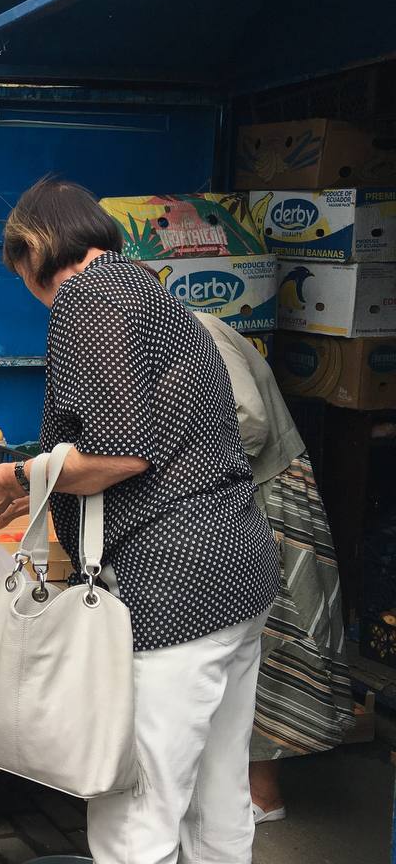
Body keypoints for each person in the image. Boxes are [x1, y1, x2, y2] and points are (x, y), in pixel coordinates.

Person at [0, 177, 279, 864]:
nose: (32, 294)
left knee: (139, 813)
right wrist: (33, 489)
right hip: (235, 572)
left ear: (37, 252)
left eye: (24, 277)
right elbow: (134, 439)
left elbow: (120, 454)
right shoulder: (149, 293)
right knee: (218, 798)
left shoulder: (88, 299)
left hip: (173, 588)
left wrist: (11, 475)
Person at [192, 312, 353, 826]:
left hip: (265, 492)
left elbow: (249, 422)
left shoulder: (199, 329)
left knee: (275, 635)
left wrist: (174, 469)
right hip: (241, 490)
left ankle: (262, 794)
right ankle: (242, 789)